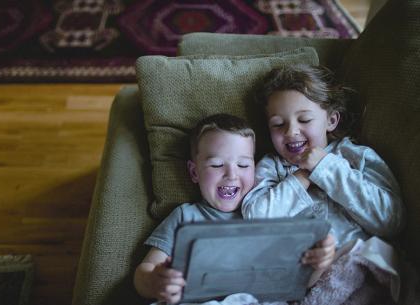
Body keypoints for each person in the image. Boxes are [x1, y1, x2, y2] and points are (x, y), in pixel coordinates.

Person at [134, 113, 336, 304]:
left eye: (243, 165)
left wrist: (321, 262)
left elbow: (300, 283)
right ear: (194, 172)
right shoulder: (186, 216)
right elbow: (143, 272)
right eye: (216, 165)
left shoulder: (275, 215)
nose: (231, 175)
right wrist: (155, 281)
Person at [241, 64, 404, 250]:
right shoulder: (272, 166)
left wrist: (325, 168)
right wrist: (302, 176)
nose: (291, 131)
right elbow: (254, 221)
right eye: (278, 124)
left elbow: (390, 221)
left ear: (331, 120)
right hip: (302, 268)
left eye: (304, 120)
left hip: (357, 261)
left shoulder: (356, 157)